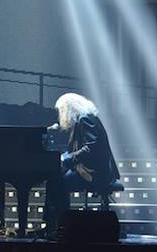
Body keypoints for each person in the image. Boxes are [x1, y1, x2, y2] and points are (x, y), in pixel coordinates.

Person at [44, 93, 120, 231]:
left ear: (70, 108)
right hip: (91, 169)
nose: (61, 114)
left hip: (95, 173)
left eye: (62, 110)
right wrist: (63, 158)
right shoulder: (85, 118)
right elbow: (76, 149)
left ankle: (58, 224)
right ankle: (56, 224)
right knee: (55, 179)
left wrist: (66, 160)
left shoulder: (84, 119)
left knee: (56, 182)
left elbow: (91, 147)